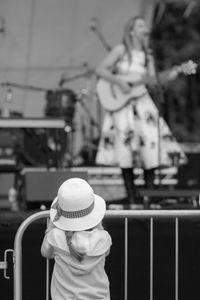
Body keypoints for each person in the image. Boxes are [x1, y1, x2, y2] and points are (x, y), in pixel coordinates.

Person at [95, 16, 187, 207]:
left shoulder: (148, 54)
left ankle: (149, 195)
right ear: (131, 30)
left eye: (145, 25)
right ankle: (131, 195)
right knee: (125, 149)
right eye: (141, 25)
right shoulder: (121, 50)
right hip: (123, 106)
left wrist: (170, 75)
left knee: (150, 144)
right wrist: (120, 81)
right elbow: (100, 70)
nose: (145, 28)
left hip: (142, 104)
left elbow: (152, 80)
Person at [41, 177, 112, 300]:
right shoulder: (103, 238)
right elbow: (104, 254)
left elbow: (45, 252)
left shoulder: (56, 236)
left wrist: (51, 226)